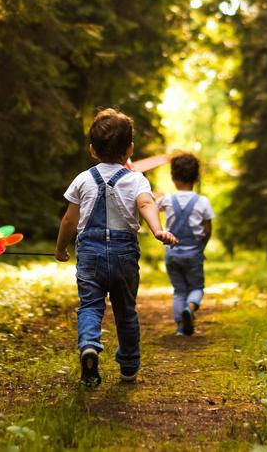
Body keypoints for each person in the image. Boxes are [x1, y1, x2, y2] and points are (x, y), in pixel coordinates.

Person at [55, 108, 178, 387]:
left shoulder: (83, 179)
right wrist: (157, 229)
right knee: (125, 310)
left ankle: (89, 345)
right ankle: (129, 367)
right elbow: (147, 203)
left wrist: (61, 248)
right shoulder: (136, 180)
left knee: (90, 306)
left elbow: (69, 220)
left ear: (92, 151)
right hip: (123, 254)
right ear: (130, 149)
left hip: (90, 254)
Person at [159, 153, 214, 336]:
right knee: (197, 288)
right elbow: (207, 230)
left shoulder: (167, 199)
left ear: (173, 178)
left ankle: (180, 327)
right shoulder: (202, 201)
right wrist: (201, 248)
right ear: (197, 178)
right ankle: (190, 308)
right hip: (193, 253)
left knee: (179, 290)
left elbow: (148, 208)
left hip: (172, 253)